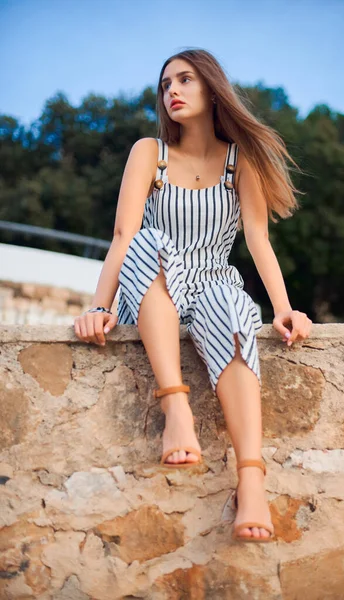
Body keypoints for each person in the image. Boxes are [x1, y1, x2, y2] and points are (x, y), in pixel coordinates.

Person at [73, 48, 312, 543]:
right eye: (165, 85)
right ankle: (175, 409)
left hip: (212, 283)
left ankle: (250, 481)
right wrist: (99, 305)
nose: (172, 91)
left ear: (211, 87)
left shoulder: (238, 160)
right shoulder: (149, 153)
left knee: (230, 307)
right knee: (151, 239)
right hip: (156, 282)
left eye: (185, 80)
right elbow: (124, 235)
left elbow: (257, 240)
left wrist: (285, 309)